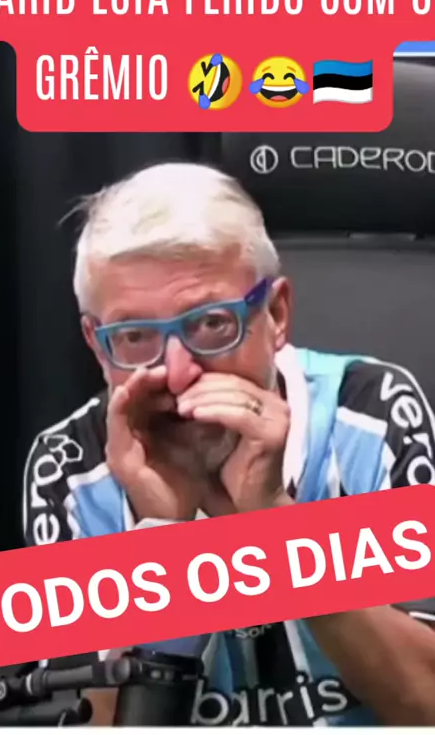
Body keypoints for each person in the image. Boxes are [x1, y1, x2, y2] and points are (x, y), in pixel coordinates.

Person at [23, 162, 435, 727]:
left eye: (211, 324)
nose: (177, 373)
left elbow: (427, 703)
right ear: (96, 344)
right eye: (135, 336)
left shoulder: (372, 413)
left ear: (276, 314)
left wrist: (275, 523)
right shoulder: (71, 468)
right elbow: (87, 722)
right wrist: (163, 545)